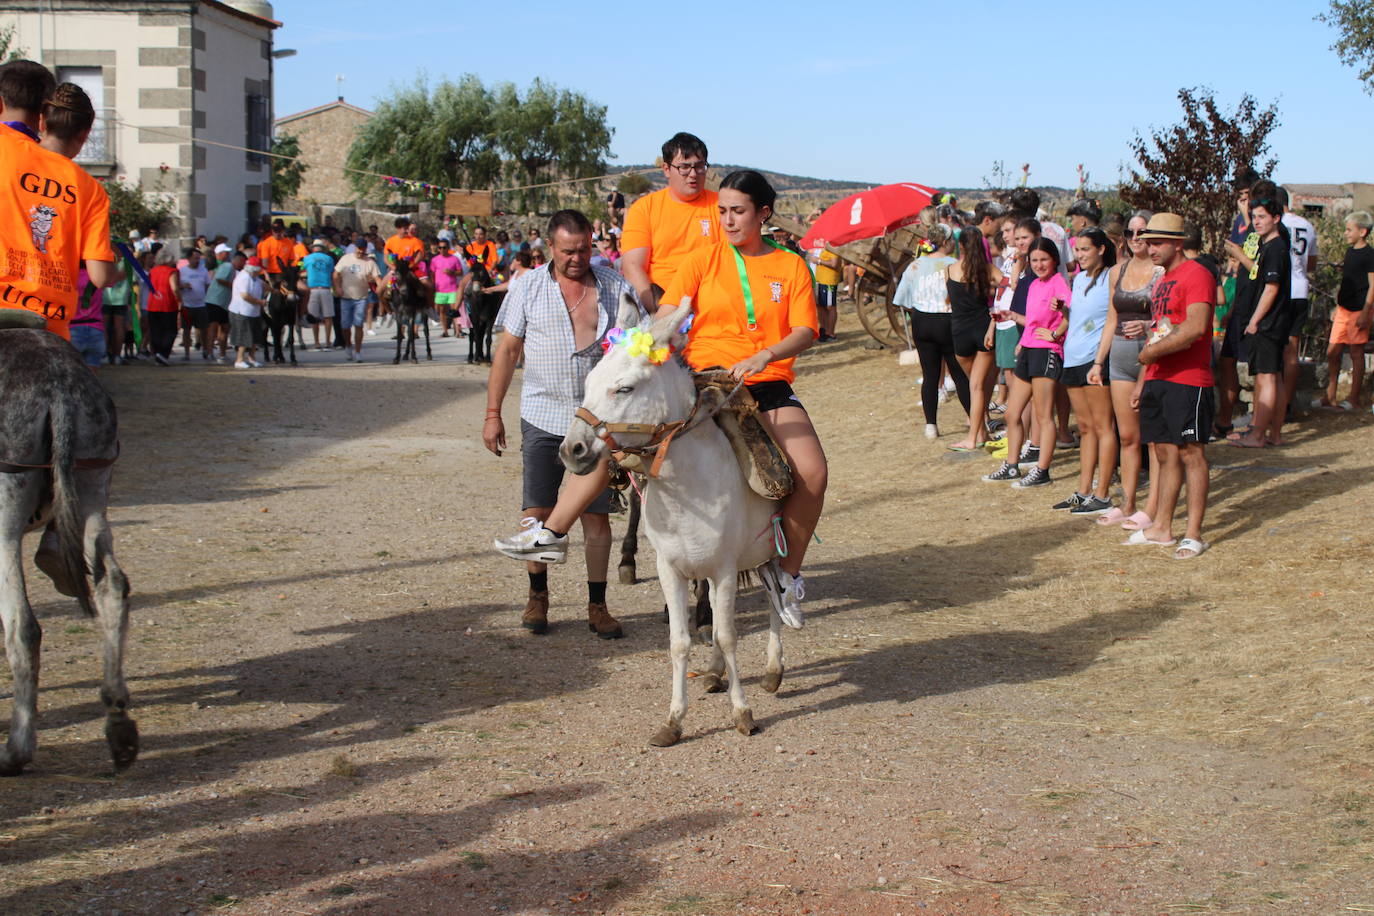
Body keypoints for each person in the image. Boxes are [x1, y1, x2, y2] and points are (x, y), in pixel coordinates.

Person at [660, 169, 823, 625]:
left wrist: (764, 355)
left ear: (763, 213)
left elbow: (806, 330)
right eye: (723, 211)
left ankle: (785, 575)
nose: (728, 221)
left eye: (738, 211)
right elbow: (669, 311)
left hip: (767, 385)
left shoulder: (791, 265)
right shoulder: (701, 259)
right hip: (706, 386)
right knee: (628, 447)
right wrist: (652, 338)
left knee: (813, 472)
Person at [485, 210, 632, 640]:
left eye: (585, 249)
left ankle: (598, 605)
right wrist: (493, 413)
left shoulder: (614, 286)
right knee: (536, 513)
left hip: (593, 423)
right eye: (568, 251)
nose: (577, 258)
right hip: (542, 415)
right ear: (550, 247)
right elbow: (508, 352)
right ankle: (538, 597)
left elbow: (631, 351)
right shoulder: (527, 287)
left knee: (596, 519)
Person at [0, 66, 116, 338]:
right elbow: (100, 276)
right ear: (85, 134)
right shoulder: (91, 188)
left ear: (44, 121)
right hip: (52, 324)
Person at [1130, 213, 1216, 559]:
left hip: (1188, 378)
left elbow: (1196, 327)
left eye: (1156, 242)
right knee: (1164, 453)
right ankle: (1162, 526)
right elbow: (1163, 327)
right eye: (1147, 242)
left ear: (1177, 243)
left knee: (1191, 453)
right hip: (1158, 377)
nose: (1149, 248)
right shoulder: (1163, 279)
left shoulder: (1198, 274)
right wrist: (1144, 373)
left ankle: (1193, 533)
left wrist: (1149, 352)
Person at [1087, 211, 1162, 529]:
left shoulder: (1161, 272)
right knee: (1127, 436)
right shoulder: (1118, 271)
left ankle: (1153, 505)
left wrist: (1146, 325)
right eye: (1130, 233)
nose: (1135, 238)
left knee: (1155, 440)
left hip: (1151, 356)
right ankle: (1128, 503)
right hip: (1118, 358)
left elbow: (1168, 319)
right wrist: (1098, 361)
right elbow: (1111, 320)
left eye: (1142, 232)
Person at [983, 238, 1069, 487]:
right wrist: (1012, 316)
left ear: (1054, 260)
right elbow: (1032, 319)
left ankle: (1042, 470)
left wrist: (1055, 333)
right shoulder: (1033, 284)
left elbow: (1070, 312)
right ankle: (1012, 466)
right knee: (1011, 413)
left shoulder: (1058, 283)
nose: (1040, 264)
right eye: (1035, 260)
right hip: (1029, 350)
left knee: (1044, 416)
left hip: (1046, 352)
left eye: (1044, 259)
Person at [1054, 228, 1118, 514]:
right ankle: (1083, 491)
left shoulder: (1111, 277)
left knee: (1103, 427)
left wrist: (1099, 362)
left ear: (1101, 249)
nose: (1079, 255)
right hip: (1072, 357)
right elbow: (1080, 319)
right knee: (1085, 428)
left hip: (1095, 360)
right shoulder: (1078, 279)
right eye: (1077, 250)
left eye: (1085, 249)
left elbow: (1110, 321)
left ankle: (1102, 493)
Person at [620, 131, 720, 309]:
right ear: (666, 169)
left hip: (713, 308)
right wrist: (662, 313)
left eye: (699, 166)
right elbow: (633, 267)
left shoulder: (722, 206)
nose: (693, 174)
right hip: (661, 307)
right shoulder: (644, 209)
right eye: (684, 167)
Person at [893, 225, 967, 439]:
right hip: (947, 319)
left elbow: (901, 299)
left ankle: (931, 425)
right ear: (946, 242)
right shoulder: (954, 264)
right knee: (959, 373)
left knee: (930, 375)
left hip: (922, 321)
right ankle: (973, 418)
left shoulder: (915, 265)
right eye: (952, 239)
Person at [1229, 196, 1289, 448]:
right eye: (1254, 217)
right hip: (1270, 322)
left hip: (1268, 323)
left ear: (1276, 218)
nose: (1257, 222)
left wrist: (1254, 320)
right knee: (1272, 376)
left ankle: (1258, 434)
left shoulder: (1275, 248)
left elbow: (1271, 288)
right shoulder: (1269, 245)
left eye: (1262, 217)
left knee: (1266, 377)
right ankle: (1270, 432)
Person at [946, 225, 1003, 450]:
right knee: (979, 386)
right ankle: (977, 434)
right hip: (983, 329)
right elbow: (1010, 286)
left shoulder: (950, 270)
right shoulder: (987, 269)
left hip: (959, 332)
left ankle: (978, 434)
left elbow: (950, 299)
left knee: (975, 385)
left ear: (960, 245)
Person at [1323, 211, 1374, 409]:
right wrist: (1338, 306)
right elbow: (1346, 282)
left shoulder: (1369, 255)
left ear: (1362, 232)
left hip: (1359, 310)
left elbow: (1372, 285)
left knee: (1356, 353)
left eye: (1349, 230)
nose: (1345, 233)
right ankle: (1330, 394)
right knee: (1332, 351)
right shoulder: (1350, 251)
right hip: (1344, 309)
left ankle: (1353, 397)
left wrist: (1365, 312)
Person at [1276, 187, 1317, 423]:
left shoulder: (1275, 223)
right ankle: (1287, 405)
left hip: (1279, 290)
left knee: (1274, 351)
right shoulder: (1307, 225)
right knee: (1292, 351)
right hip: (1300, 289)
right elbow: (1311, 263)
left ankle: (1274, 405)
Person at [333, 243, 380, 362]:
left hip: (361, 298)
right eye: (359, 249)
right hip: (346, 297)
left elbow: (377, 278)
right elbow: (336, 274)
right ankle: (348, 345)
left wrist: (383, 289)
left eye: (363, 249)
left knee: (358, 324)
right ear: (355, 248)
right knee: (345, 326)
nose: (361, 251)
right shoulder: (345, 259)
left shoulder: (370, 262)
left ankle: (358, 351)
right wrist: (337, 287)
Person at [144, 245, 181, 365]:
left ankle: (158, 354)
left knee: (156, 330)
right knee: (171, 330)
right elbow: (174, 288)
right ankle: (163, 354)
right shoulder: (172, 271)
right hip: (167, 303)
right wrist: (179, 299)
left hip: (153, 302)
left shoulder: (153, 271)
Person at [228, 256, 268, 369]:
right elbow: (245, 296)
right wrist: (259, 302)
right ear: (253, 269)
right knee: (244, 337)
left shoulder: (254, 277)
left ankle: (252, 358)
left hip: (253, 312)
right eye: (259, 269)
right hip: (241, 311)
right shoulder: (244, 278)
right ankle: (239, 360)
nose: (260, 271)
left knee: (255, 336)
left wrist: (273, 289)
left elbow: (264, 285)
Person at [176, 246, 210, 360]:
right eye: (195, 258)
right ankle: (186, 353)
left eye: (198, 258)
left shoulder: (203, 270)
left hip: (201, 304)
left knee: (204, 329)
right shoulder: (182, 271)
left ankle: (205, 350)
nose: (197, 260)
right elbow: (176, 286)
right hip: (187, 305)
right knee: (186, 330)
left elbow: (207, 285)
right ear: (189, 259)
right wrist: (183, 286)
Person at [302, 238, 336, 351]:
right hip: (326, 288)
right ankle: (327, 341)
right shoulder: (329, 259)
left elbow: (301, 271)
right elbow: (332, 273)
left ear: (313, 248)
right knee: (328, 317)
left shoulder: (307, 258)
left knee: (314, 316)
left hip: (313, 288)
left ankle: (316, 342)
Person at [203, 244, 235, 362]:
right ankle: (212, 352)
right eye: (225, 252)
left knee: (223, 327)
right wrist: (234, 286)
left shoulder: (218, 265)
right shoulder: (225, 265)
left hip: (222, 301)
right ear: (219, 253)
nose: (228, 254)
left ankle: (221, 354)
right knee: (214, 327)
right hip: (215, 300)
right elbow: (219, 279)